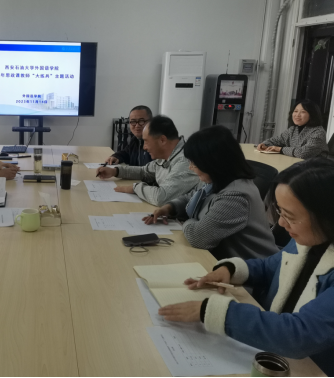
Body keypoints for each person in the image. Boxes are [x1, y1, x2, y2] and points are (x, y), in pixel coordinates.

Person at [157, 158, 334, 377]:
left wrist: (215, 312)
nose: (281, 223)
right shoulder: (310, 239)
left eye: (290, 216)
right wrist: (230, 270)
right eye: (280, 212)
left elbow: (299, 335)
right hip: (273, 352)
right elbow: (271, 267)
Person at [145, 126, 278, 260]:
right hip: (220, 259)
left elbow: (198, 237)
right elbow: (193, 197)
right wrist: (170, 207)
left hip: (248, 267)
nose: (190, 167)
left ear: (212, 163)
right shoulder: (218, 179)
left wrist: (185, 221)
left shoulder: (236, 197)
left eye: (194, 163)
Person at [96, 116, 199, 207]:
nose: (144, 147)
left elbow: (161, 197)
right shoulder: (165, 156)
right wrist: (115, 171)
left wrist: (135, 188)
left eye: (146, 141)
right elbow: (144, 172)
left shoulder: (185, 161)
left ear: (162, 140)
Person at [257, 99, 328, 159]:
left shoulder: (318, 132)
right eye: (295, 111)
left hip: (314, 168)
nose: (297, 115)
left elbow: (304, 153)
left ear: (312, 115)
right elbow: (277, 140)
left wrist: (280, 149)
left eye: (303, 112)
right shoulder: (293, 129)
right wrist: (264, 144)